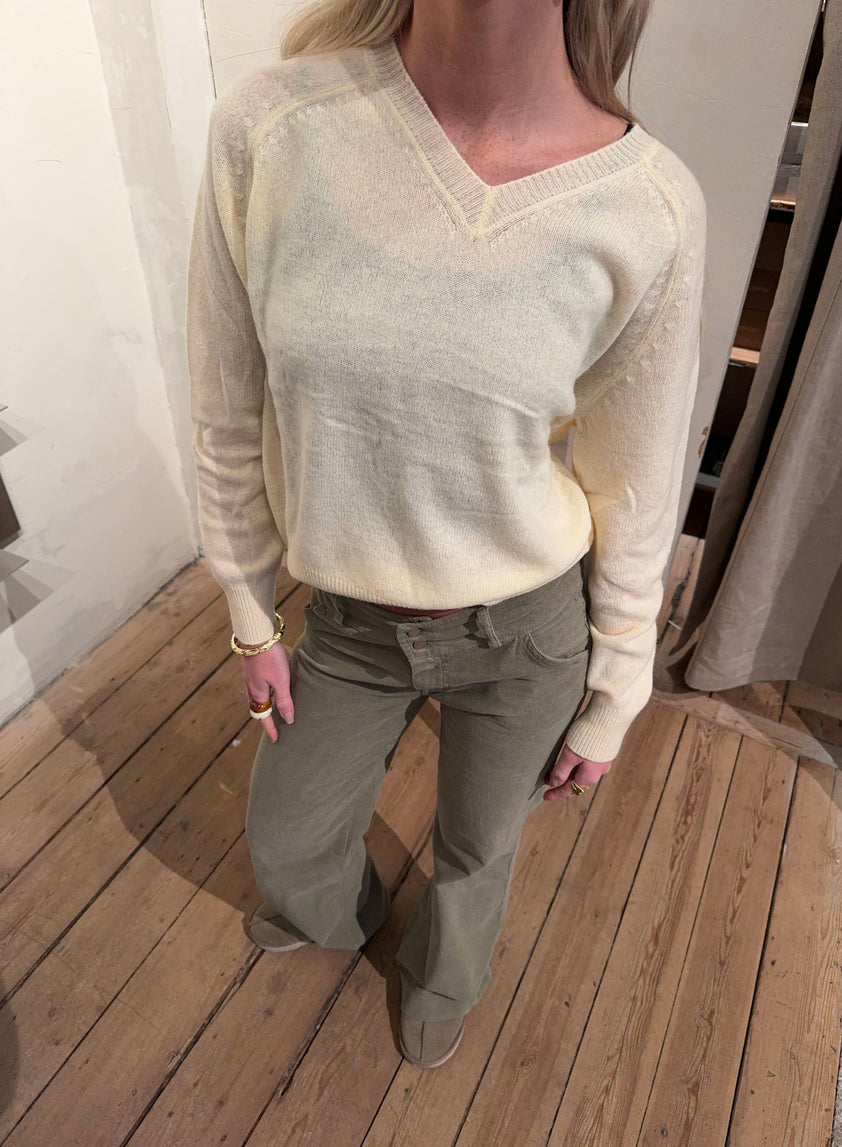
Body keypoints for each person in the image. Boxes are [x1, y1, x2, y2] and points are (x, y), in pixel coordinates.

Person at [184, 0, 707, 1070]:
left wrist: (619, 682)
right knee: (289, 835)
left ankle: (444, 975)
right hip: (347, 620)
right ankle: (339, 912)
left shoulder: (647, 204)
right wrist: (248, 608)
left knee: (480, 845)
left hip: (525, 629)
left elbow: (635, 479)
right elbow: (223, 402)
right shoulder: (273, 129)